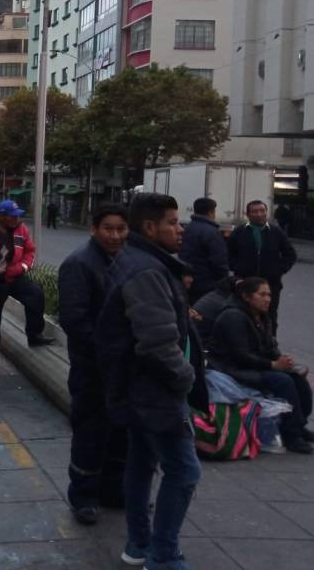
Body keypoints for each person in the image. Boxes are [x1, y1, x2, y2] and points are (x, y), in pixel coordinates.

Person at [95, 193, 208, 570]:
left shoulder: (145, 262)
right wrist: (186, 377)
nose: (180, 229)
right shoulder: (147, 270)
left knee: (142, 463)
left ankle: (139, 544)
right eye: (173, 222)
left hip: (138, 387)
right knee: (184, 470)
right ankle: (162, 555)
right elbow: (158, 342)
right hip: (153, 389)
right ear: (149, 227)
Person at [58, 203, 129, 526]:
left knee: (119, 433)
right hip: (92, 368)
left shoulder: (126, 261)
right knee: (90, 433)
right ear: (94, 230)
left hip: (121, 368)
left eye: (121, 229)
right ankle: (84, 496)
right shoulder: (79, 264)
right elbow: (74, 320)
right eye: (108, 229)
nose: (115, 235)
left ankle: (113, 491)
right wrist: (106, 351)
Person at [209, 276, 313, 454]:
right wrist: (273, 365)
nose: (267, 299)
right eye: (262, 295)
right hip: (232, 368)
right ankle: (291, 435)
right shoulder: (233, 316)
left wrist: (285, 362)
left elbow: (270, 347)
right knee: (282, 382)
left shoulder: (262, 316)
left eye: (269, 295)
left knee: (298, 379)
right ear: (247, 297)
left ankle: (299, 425)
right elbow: (240, 355)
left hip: (256, 364)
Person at [0, 200, 53, 370]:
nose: (17, 219)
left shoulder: (21, 230)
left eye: (18, 215)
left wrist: (23, 266)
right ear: (1, 216)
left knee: (35, 294)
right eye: (13, 216)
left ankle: (34, 334)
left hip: (13, 277)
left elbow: (30, 251)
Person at [227, 200, 296, 334]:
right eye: (255, 211)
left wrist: (278, 270)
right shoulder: (239, 232)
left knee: (269, 318)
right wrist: (238, 268)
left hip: (270, 285)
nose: (259, 214)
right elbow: (228, 254)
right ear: (248, 214)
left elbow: (290, 254)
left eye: (262, 211)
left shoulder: (276, 232)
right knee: (244, 316)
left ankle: (270, 348)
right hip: (245, 284)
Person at [178, 198, 228, 304]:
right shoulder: (212, 232)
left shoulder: (187, 229)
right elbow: (219, 261)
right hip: (207, 284)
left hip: (189, 281)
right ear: (211, 212)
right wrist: (224, 280)